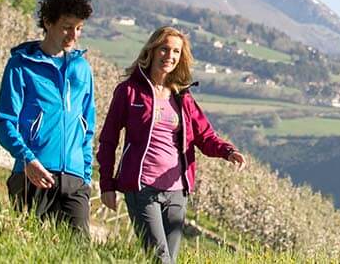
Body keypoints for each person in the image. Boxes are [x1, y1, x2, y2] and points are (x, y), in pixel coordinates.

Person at [96, 26, 245, 263]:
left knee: (170, 260)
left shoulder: (182, 97)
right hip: (141, 187)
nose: (170, 56)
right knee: (160, 258)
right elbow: (108, 140)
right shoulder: (128, 92)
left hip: (177, 190)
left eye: (176, 51)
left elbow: (205, 136)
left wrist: (228, 152)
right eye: (164, 49)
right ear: (152, 51)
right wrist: (107, 185)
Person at [0, 0, 98, 233]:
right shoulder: (21, 66)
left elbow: (87, 127)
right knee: (30, 250)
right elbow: (4, 121)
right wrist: (27, 159)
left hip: (74, 181)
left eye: (79, 28)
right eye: (67, 26)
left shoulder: (82, 69)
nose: (74, 35)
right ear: (48, 22)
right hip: (33, 175)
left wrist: (84, 175)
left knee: (79, 256)